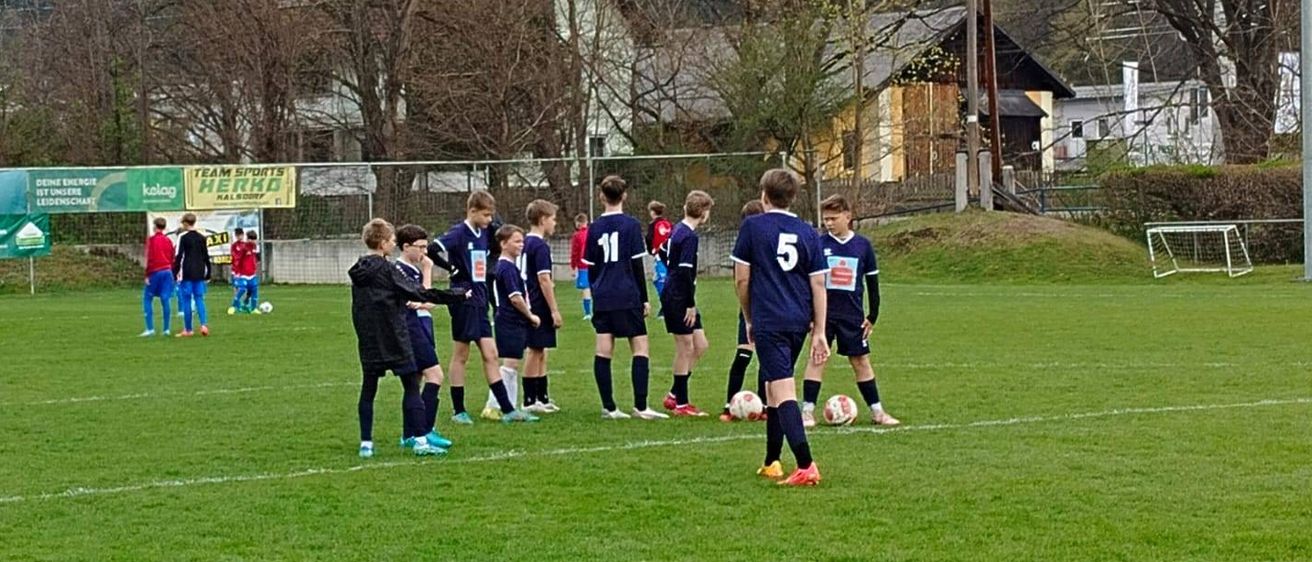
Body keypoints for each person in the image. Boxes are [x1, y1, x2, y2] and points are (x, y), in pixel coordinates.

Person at [733, 168, 830, 486]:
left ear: (763, 195)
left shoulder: (752, 227)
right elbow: (818, 284)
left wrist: (749, 317)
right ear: (793, 197)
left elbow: (742, 279)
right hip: (798, 320)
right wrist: (818, 330)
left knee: (783, 390)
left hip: (770, 320)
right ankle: (772, 461)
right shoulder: (808, 232)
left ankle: (806, 464)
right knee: (773, 390)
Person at [350, 219, 467, 459]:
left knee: (368, 390)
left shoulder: (358, 270)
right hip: (395, 335)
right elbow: (419, 293)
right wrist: (456, 295)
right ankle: (420, 440)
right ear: (383, 243)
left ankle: (366, 443)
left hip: (370, 339)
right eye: (392, 240)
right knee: (412, 385)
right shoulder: (388, 269)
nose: (393, 244)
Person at [428, 190, 531, 425]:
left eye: (490, 215)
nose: (488, 220)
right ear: (472, 211)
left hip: (481, 297)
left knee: (490, 353)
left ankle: (507, 409)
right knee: (461, 354)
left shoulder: (485, 233)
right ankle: (458, 410)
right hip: (463, 298)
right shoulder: (458, 233)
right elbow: (432, 249)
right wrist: (451, 268)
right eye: (485, 215)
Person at [801, 195, 901, 428]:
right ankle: (807, 412)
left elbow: (873, 284)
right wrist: (810, 317)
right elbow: (811, 283)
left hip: (852, 316)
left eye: (833, 218)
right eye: (825, 219)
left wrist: (872, 315)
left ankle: (877, 412)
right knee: (817, 358)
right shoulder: (819, 244)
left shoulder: (863, 246)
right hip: (824, 315)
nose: (829, 223)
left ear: (848, 216)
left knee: (861, 361)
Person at [584, 176, 668, 420]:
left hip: (603, 296)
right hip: (627, 293)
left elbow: (591, 267)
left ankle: (609, 407)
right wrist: (644, 298)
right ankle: (640, 407)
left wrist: (597, 290)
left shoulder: (594, 227)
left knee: (603, 348)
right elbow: (636, 265)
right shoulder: (631, 225)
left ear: (601, 197)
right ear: (625, 196)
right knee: (640, 346)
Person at [394, 224, 457, 452]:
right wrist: (429, 271)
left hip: (420, 325)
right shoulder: (401, 271)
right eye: (420, 247)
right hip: (411, 329)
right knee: (436, 376)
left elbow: (424, 302)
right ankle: (425, 431)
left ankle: (409, 434)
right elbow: (427, 299)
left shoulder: (412, 269)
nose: (424, 252)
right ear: (406, 247)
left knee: (415, 381)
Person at [659, 191, 714, 417]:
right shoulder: (689, 236)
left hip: (679, 293)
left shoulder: (678, 229)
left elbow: (662, 252)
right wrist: (689, 303)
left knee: (700, 345)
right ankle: (682, 404)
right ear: (703, 213)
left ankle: (674, 393)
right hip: (679, 297)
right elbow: (683, 271)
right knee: (685, 347)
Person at [485, 224, 541, 423]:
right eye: (516, 241)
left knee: (512, 365)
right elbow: (515, 298)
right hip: (509, 321)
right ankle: (495, 406)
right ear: (503, 243)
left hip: (512, 322)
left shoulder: (509, 266)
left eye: (522, 241)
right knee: (509, 366)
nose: (521, 245)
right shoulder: (506, 268)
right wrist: (530, 316)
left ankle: (507, 406)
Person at [720, 200, 766, 422]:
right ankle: (729, 405)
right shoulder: (745, 245)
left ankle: (765, 406)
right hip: (752, 307)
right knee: (744, 354)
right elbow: (739, 280)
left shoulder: (769, 243)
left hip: (766, 306)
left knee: (764, 359)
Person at [521, 200, 563, 413]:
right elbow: (544, 279)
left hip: (530, 300)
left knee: (541, 350)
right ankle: (529, 400)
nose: (555, 223)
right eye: (553, 219)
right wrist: (554, 309)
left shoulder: (524, 243)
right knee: (535, 350)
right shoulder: (539, 246)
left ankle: (542, 397)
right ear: (543, 220)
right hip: (537, 302)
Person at [172, 213, 212, 337]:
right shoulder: (202, 237)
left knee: (187, 300)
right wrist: (208, 273)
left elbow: (179, 256)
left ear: (184, 223)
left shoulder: (182, 237)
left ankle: (188, 329)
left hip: (187, 272)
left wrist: (174, 273)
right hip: (199, 272)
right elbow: (206, 256)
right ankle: (204, 325)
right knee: (199, 299)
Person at [140, 217, 176, 337]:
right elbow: (172, 258)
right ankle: (166, 329)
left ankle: (150, 329)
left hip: (156, 271)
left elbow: (150, 258)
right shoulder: (168, 241)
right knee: (165, 299)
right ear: (164, 227)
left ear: (155, 227)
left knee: (147, 298)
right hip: (167, 271)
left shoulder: (152, 240)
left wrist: (147, 274)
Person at [646, 201, 673, 318]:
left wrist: (651, 250)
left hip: (659, 254)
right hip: (670, 255)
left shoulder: (653, 225)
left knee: (660, 280)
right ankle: (667, 305)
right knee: (661, 279)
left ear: (652, 212)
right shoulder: (668, 224)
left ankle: (667, 307)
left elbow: (649, 238)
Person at [570, 213, 592, 320]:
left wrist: (573, 266)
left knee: (586, 288)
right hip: (595, 264)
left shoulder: (577, 235)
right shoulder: (592, 233)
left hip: (583, 265)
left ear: (578, 223)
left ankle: (588, 313)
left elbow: (575, 251)